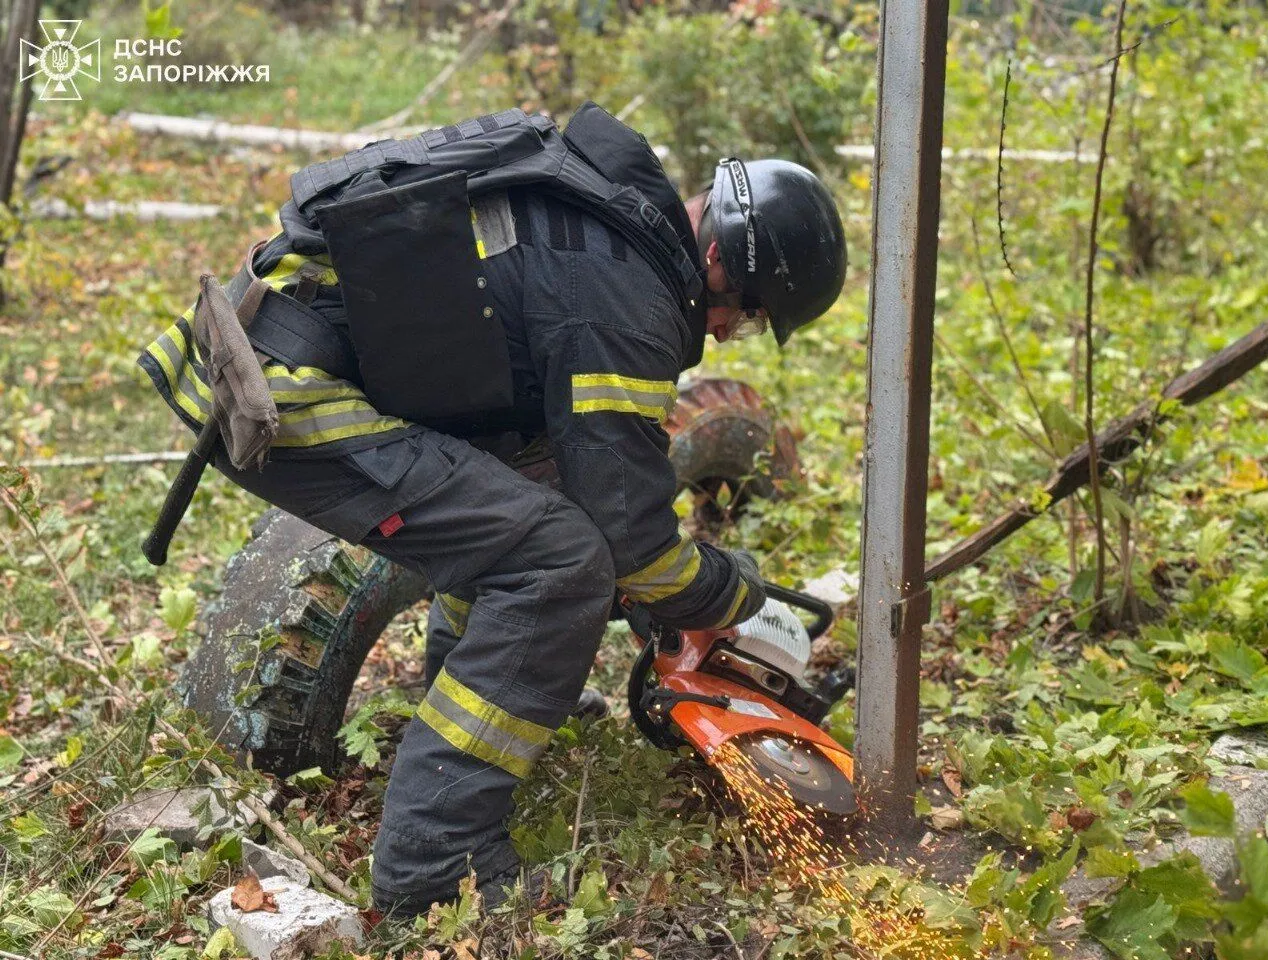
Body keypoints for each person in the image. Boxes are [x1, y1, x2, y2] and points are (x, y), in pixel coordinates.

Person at [138, 103, 846, 917]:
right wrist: (726, 595)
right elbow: (631, 542)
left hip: (275, 343)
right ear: (720, 255)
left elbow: (592, 473)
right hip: (283, 390)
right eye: (747, 313)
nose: (728, 336)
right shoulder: (628, 296)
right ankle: (434, 868)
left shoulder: (612, 228)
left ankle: (489, 692)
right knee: (560, 564)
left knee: (526, 513)